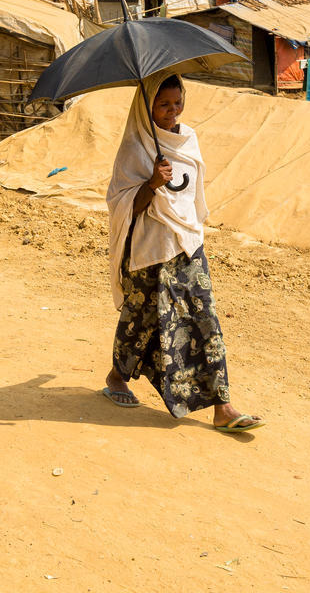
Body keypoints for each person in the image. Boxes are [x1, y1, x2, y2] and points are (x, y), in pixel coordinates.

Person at [103, 74, 263, 433]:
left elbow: (192, 195)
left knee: (205, 318)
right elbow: (121, 204)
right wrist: (151, 184)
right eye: (163, 105)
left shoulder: (187, 138)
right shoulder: (135, 147)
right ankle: (117, 376)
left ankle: (223, 406)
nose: (172, 112)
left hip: (188, 245)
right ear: (146, 108)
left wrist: (189, 225)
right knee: (141, 320)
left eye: (177, 103)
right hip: (150, 251)